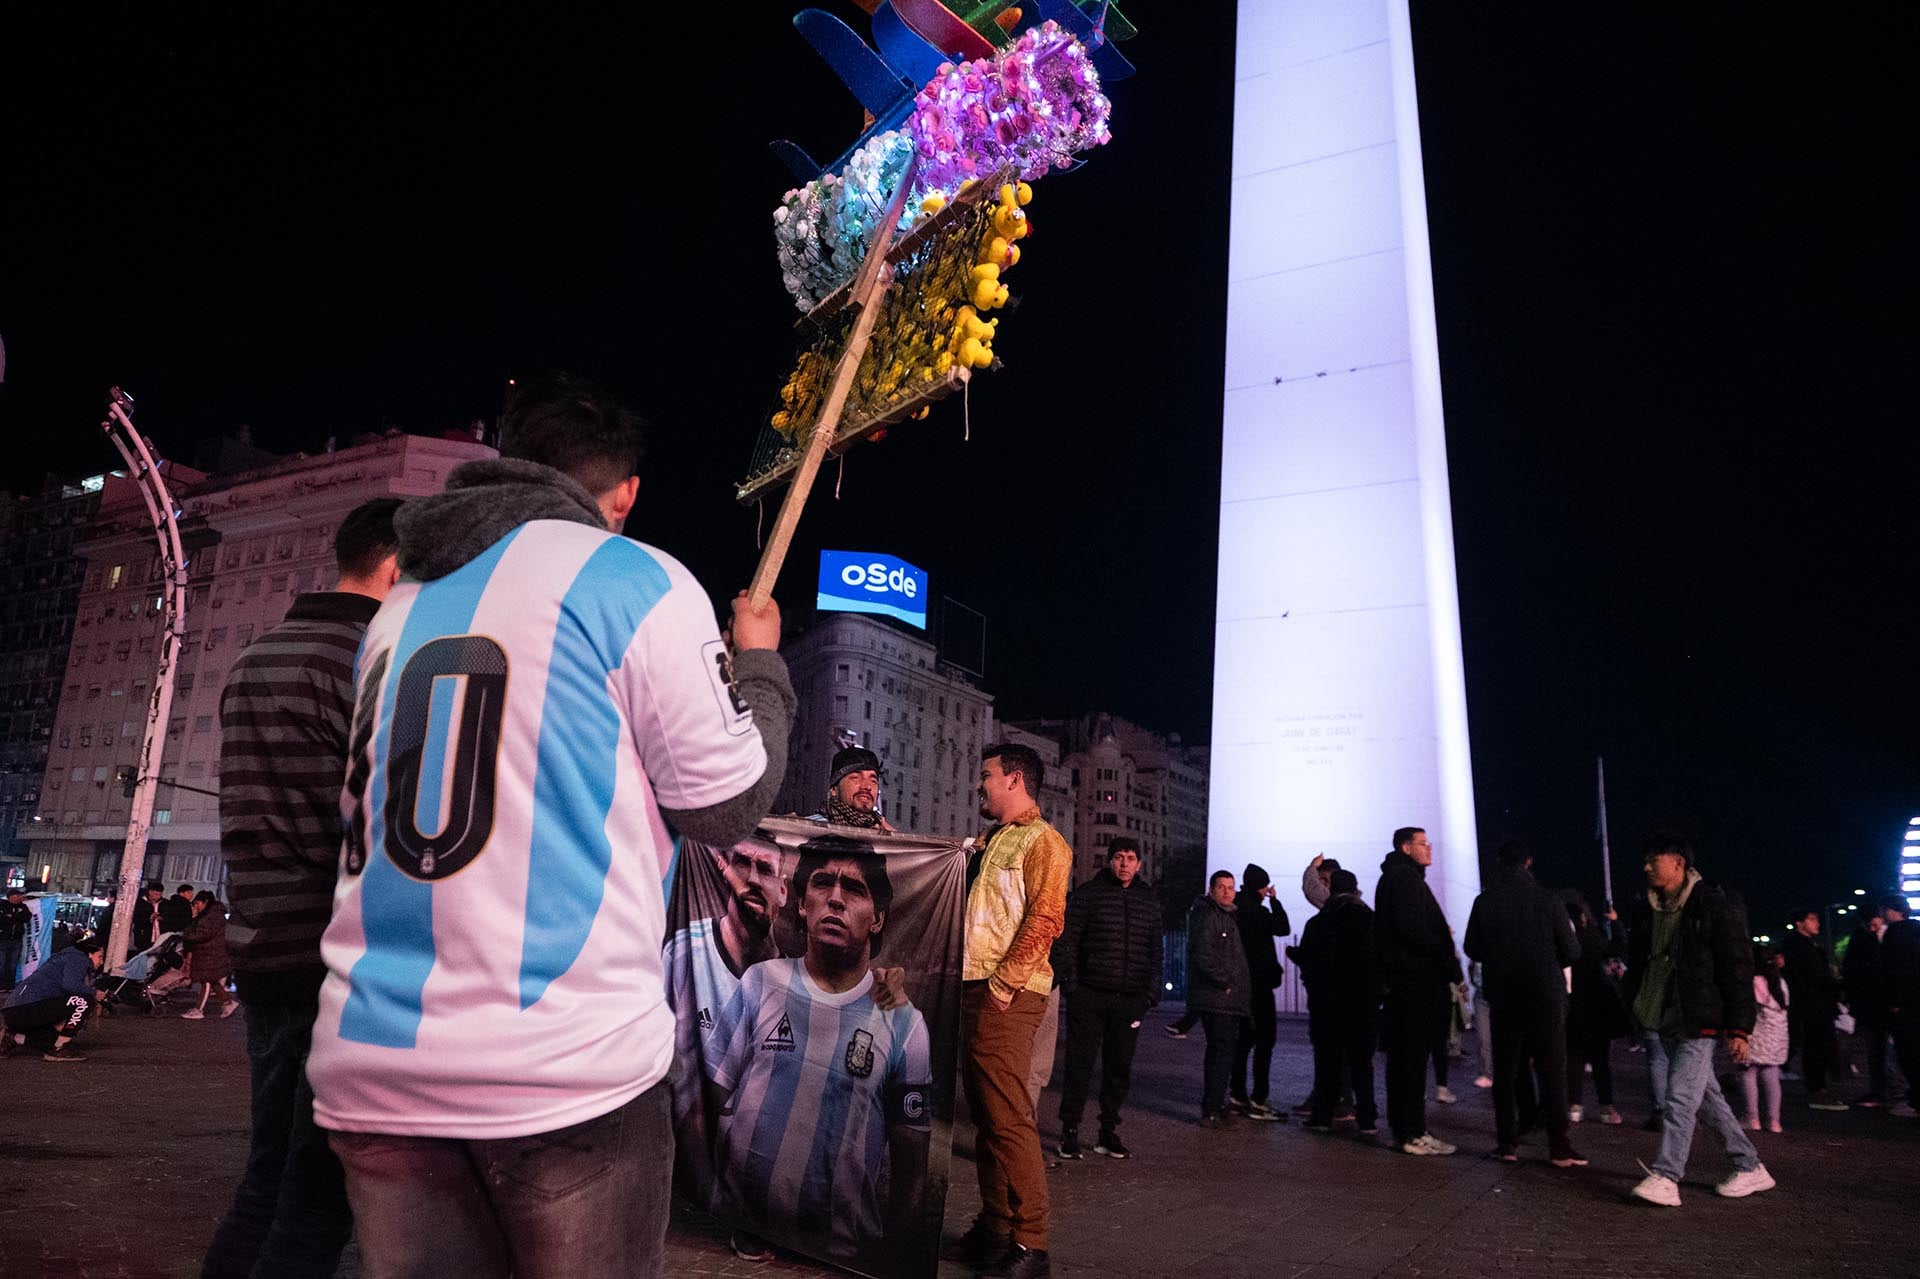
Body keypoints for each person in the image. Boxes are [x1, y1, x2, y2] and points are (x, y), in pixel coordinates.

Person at [305, 370, 794, 1279]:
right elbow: (728, 803)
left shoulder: (399, 610)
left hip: (372, 1063)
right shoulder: (634, 579)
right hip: (560, 1072)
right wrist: (759, 668)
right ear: (626, 494)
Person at [201, 495, 402, 1279]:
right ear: (395, 568)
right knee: (316, 1195)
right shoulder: (370, 660)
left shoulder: (257, 655)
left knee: (268, 1172)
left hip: (261, 943)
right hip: (331, 955)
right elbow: (375, 816)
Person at [705, 839, 931, 1272]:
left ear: (878, 918)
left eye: (855, 890)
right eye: (823, 884)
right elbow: (710, 1094)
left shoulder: (903, 1023)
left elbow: (912, 1160)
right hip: (745, 1247)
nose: (836, 899)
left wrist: (899, 1255)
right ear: (803, 904)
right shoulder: (760, 982)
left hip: (840, 1257)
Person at [956, 742, 1071, 1279]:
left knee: (1008, 1117)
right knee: (988, 1117)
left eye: (987, 775)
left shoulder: (1044, 842)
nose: (980, 784)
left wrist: (1003, 985)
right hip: (977, 986)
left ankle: (1032, 1243)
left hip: (1009, 992)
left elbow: (1046, 918)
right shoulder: (991, 840)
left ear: (1015, 779)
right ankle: (998, 1227)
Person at [1623, 832, 1774, 1207]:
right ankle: (1750, 1165)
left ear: (1678, 862)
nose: (1645, 867)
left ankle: (1667, 1175)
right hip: (1664, 1015)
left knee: (1678, 1098)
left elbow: (1737, 967)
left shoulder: (1713, 905)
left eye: (1653, 859)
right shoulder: (1648, 908)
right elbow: (1640, 963)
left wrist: (1740, 1028)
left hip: (1699, 1019)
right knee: (1706, 1099)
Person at [1463, 841, 1583, 1167]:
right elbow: (1572, 951)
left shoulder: (1485, 901)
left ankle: (1507, 1143)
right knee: (1552, 1069)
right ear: (1528, 862)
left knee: (1506, 1070)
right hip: (1546, 994)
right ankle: (1559, 1145)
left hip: (1504, 994)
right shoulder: (1549, 900)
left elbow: (1472, 947)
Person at [1052, 837, 1161, 1160]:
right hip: (1089, 995)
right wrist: (1072, 985)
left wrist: (1150, 994)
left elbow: (1156, 950)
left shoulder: (1149, 902)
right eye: (1118, 857)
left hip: (1130, 1000)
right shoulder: (1088, 894)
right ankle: (1069, 1130)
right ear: (1109, 861)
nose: (1124, 864)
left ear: (1139, 864)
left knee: (1119, 1068)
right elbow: (1067, 940)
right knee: (1079, 1066)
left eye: (1130, 858)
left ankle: (1108, 1131)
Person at [1374, 826, 1458, 1156]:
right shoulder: (1405, 879)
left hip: (1408, 979)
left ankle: (1410, 1129)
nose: (1430, 849)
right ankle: (1411, 1132)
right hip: (1414, 979)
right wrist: (1441, 948)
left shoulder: (1399, 877)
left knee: (1406, 1060)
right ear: (1406, 847)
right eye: (1423, 844)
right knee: (1410, 1059)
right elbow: (1411, 928)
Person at [1296, 869, 1379, 1138]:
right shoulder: (1368, 919)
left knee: (1327, 1063)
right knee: (1361, 1065)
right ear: (1355, 889)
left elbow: (1309, 962)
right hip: (1361, 1003)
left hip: (1326, 1004)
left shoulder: (1318, 923)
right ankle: (1367, 1119)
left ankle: (1322, 1115)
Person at [1224, 863, 1289, 1121]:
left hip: (1242, 983)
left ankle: (1237, 1092)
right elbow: (1282, 927)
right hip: (1259, 984)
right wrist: (1275, 901)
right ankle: (1258, 1098)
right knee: (1265, 1040)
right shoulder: (1257, 911)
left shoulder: (1237, 909)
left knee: (1244, 1041)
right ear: (1261, 886)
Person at [1186, 870, 1250, 1129]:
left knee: (1222, 1054)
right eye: (1221, 887)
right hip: (1217, 999)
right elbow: (1202, 954)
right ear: (1211, 889)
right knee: (1220, 1054)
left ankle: (1215, 1104)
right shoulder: (1209, 915)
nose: (1226, 891)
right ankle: (1211, 1108)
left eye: (1230, 887)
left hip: (1224, 999)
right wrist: (1224, 982)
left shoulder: (1226, 916)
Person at [1564, 892, 1629, 1125]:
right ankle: (1606, 1108)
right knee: (1600, 1061)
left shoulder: (1561, 940)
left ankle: (1574, 1106)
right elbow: (1618, 948)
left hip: (1570, 1009)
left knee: (1573, 1060)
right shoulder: (1592, 938)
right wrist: (1615, 922)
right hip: (1596, 1008)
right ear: (1583, 915)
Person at [1782, 908, 1846, 1110]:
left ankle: (1818, 1087)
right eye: (1812, 919)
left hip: (1815, 1003)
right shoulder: (1799, 947)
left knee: (1818, 1045)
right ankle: (1817, 1090)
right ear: (1799, 923)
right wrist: (1836, 988)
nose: (1817, 923)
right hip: (1813, 1004)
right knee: (1817, 1046)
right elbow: (1817, 976)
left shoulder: (1805, 945)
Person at [2, 936, 104, 1061]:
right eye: (100, 956)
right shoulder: (78, 958)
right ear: (89, 954)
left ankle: (11, 1037)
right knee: (84, 1001)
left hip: (16, 1011)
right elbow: (71, 985)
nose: (101, 962)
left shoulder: (65, 957)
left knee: (53, 1039)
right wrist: (94, 993)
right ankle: (59, 1049)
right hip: (24, 1009)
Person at [1841, 905, 1890, 1108]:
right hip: (1874, 1005)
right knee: (1877, 1051)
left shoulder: (1886, 937)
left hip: (1879, 1004)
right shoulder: (1863, 940)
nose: (1872, 927)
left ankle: (1884, 1092)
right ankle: (1880, 1092)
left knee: (1883, 1051)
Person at [1737, 945, 1789, 1133]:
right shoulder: (1780, 982)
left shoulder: (1754, 981)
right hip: (1777, 1038)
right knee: (1771, 1074)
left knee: (1747, 1072)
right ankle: (1774, 1121)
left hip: (1757, 1035)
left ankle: (1752, 1118)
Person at [1882, 896, 1920, 1118]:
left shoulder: (1895, 934)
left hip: (1904, 1005)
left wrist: (1894, 1001)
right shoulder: (1916, 929)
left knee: (1908, 1052)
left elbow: (1894, 970)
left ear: (1890, 911)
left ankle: (1914, 1101)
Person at [809, 744, 896, 832]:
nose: (867, 786)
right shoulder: (810, 829)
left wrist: (893, 842)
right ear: (834, 789)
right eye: (855, 777)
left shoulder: (884, 834)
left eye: (873, 781)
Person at [178, 891, 236, 1021]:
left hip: (210, 953)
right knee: (212, 980)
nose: (196, 906)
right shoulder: (212, 915)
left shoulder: (211, 917)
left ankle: (198, 1009)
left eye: (197, 903)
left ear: (206, 902)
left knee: (206, 980)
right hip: (209, 951)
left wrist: (186, 934)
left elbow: (202, 934)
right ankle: (228, 1003)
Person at [1, 886, 29, 990]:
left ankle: (10, 986)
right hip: (3, 939)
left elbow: (26, 917)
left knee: (13, 964)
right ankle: (2, 986)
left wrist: (12, 916)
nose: (19, 898)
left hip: (16, 940)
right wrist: (15, 918)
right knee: (2, 964)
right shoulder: (2, 905)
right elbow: (2, 919)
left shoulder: (23, 907)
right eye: (17, 896)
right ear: (10, 897)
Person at [131, 881, 166, 955]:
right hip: (144, 937)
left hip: (160, 938)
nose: (157, 897)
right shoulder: (140, 903)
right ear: (150, 892)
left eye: (159, 895)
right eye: (155, 894)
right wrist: (149, 918)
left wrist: (162, 918)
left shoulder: (165, 903)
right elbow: (136, 919)